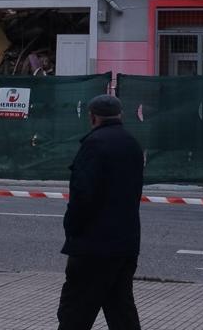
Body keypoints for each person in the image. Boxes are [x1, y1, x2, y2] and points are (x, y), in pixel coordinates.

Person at [56, 93, 145, 330]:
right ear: (121, 115)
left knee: (74, 313)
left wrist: (72, 229)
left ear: (92, 117)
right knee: (121, 311)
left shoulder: (93, 145)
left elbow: (83, 196)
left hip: (93, 247)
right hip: (126, 244)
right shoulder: (132, 144)